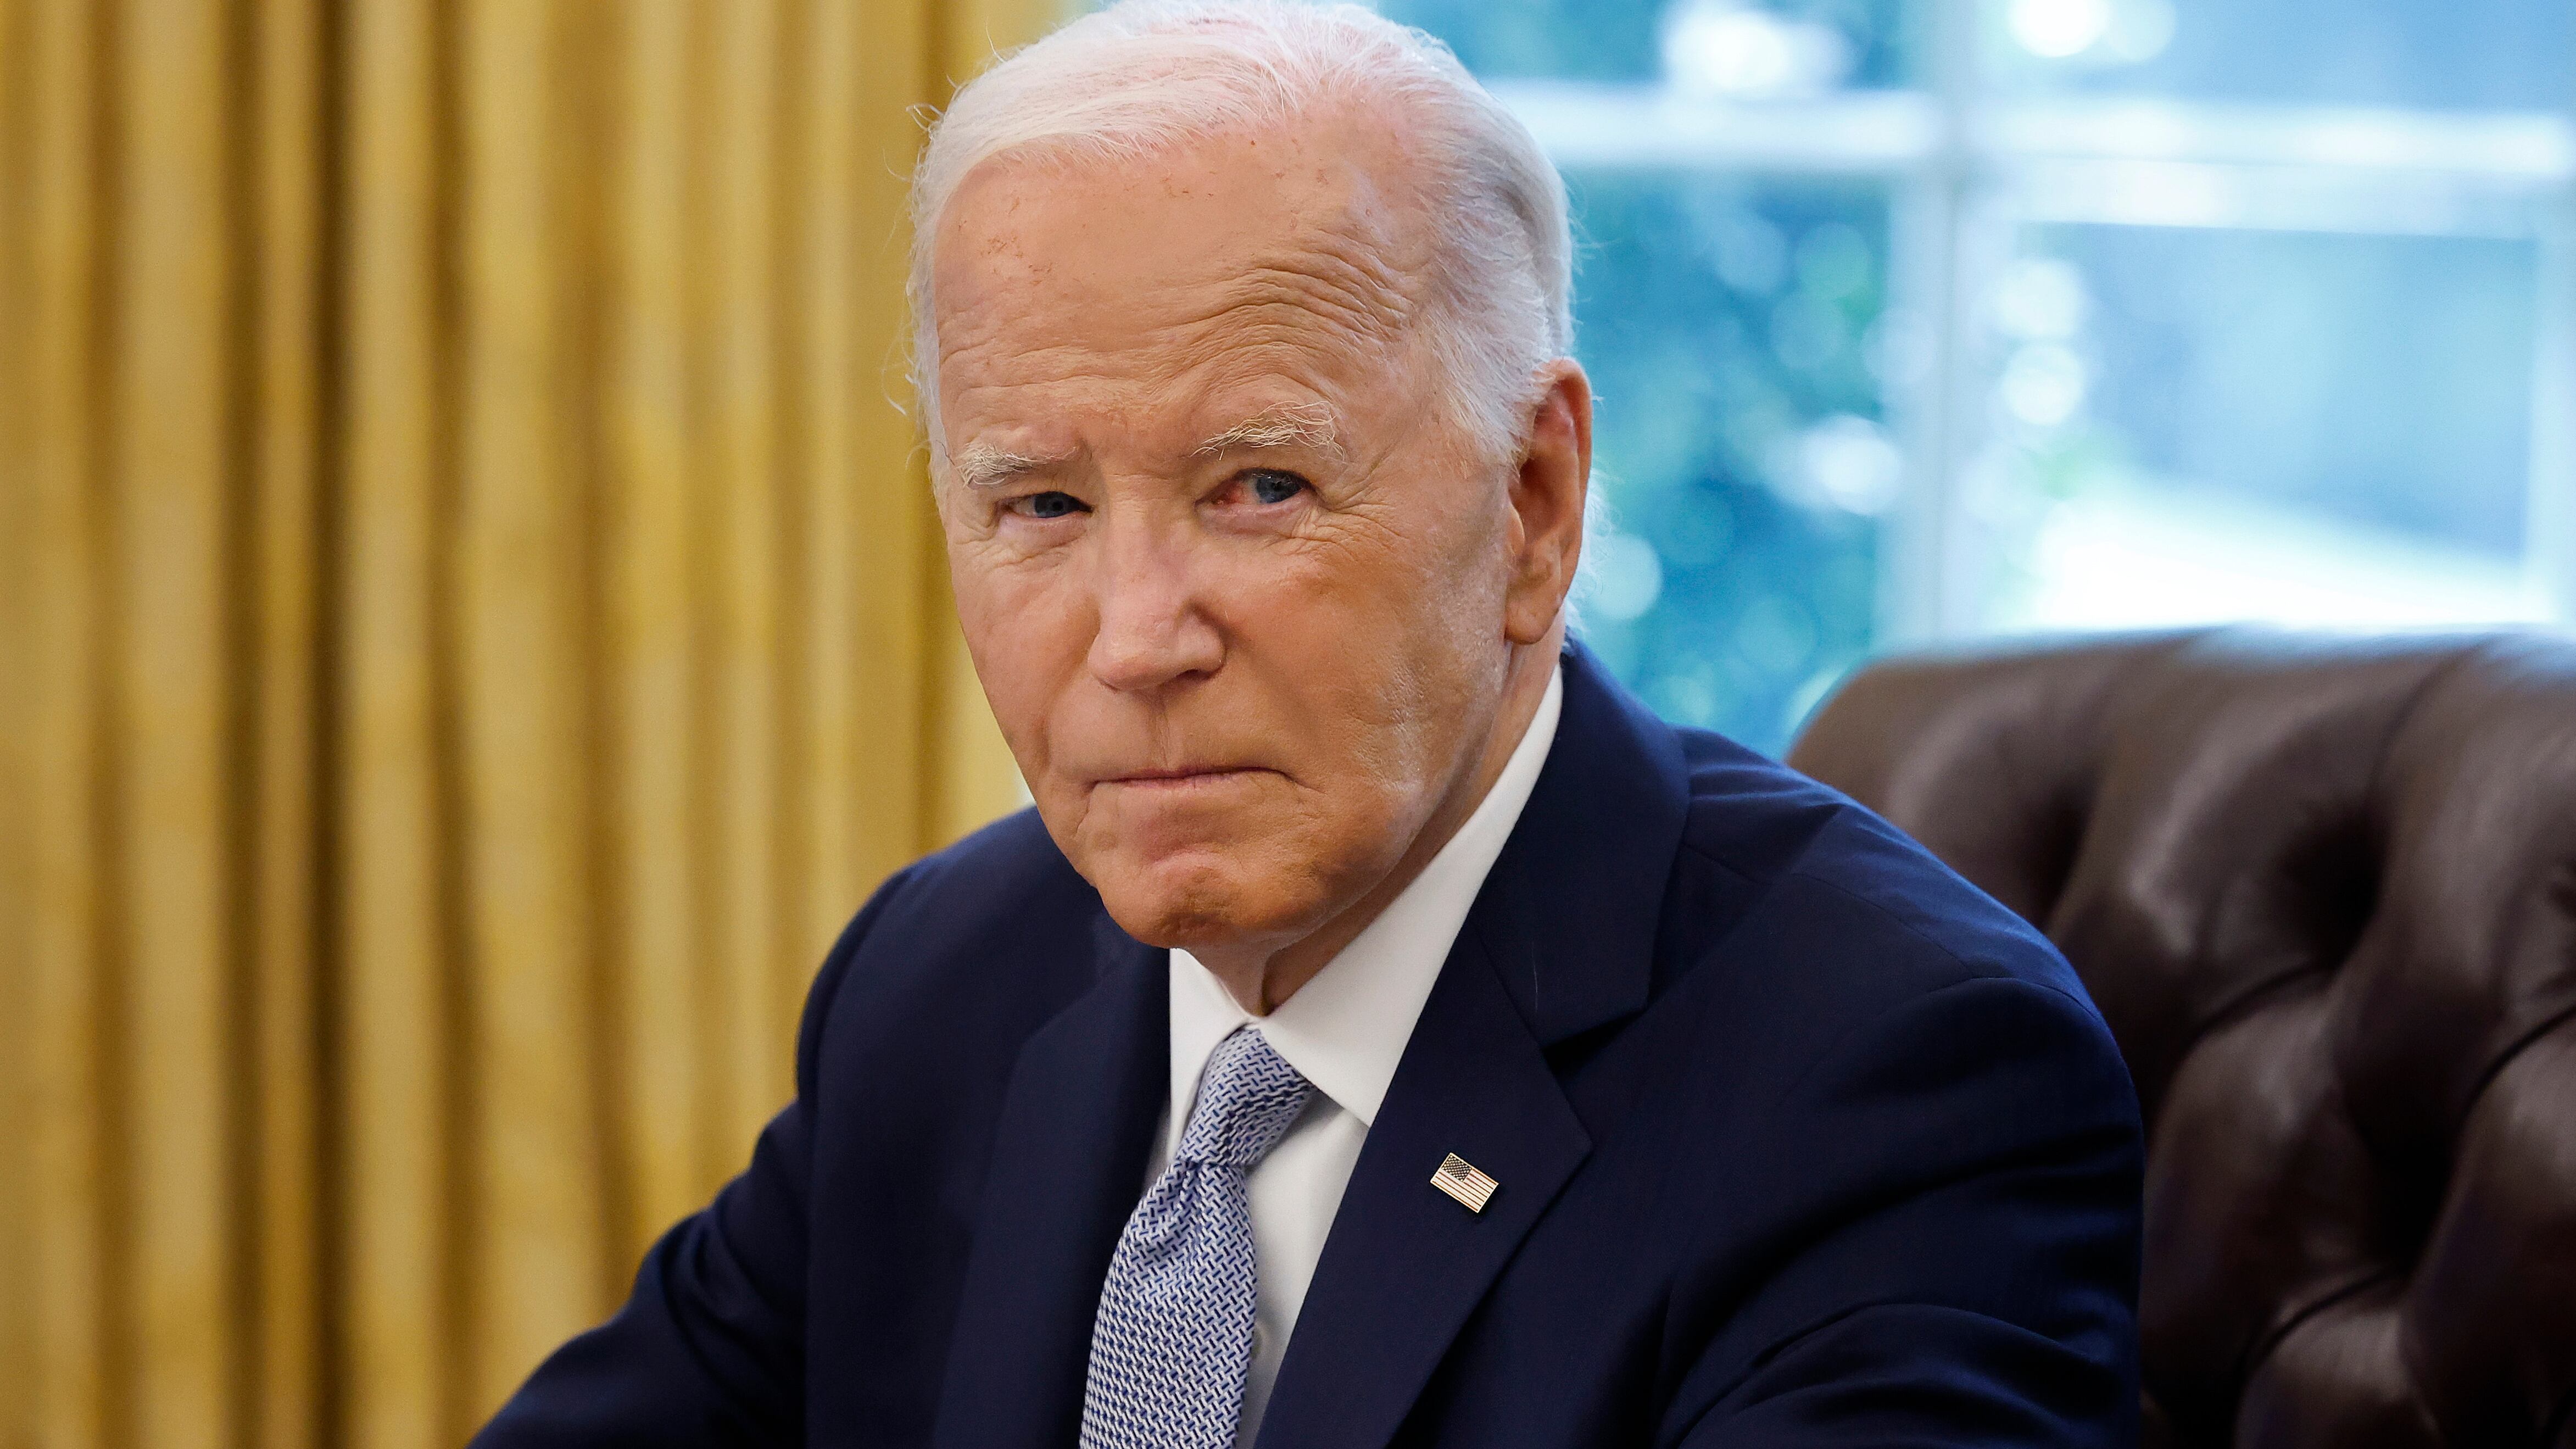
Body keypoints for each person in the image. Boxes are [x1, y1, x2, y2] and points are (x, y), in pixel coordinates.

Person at [475, 2, 2143, 1444]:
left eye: (1260, 487)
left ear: (1533, 505)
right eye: (1042, 504)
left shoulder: (1895, 1076)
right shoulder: (944, 979)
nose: (1137, 640)